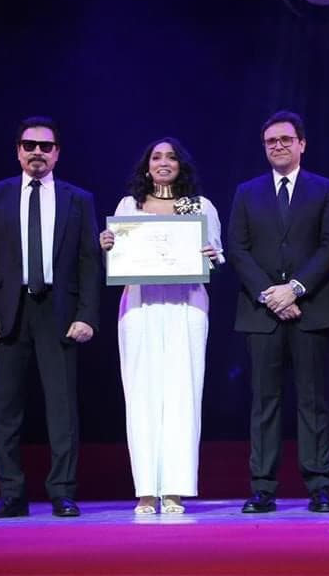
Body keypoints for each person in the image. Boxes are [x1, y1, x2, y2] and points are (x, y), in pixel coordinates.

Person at [0, 116, 100, 519]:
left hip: (58, 311)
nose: (37, 152)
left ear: (57, 153)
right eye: (30, 145)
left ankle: (62, 492)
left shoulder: (79, 199)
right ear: (18, 151)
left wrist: (87, 315)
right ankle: (11, 494)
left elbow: (89, 261)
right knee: (5, 408)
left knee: (62, 407)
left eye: (46, 146)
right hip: (8, 311)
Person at [226, 110, 329, 514]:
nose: (277, 146)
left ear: (301, 144)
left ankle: (320, 486)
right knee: (265, 402)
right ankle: (263, 488)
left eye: (285, 139)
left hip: (312, 308)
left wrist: (294, 289)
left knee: (313, 400)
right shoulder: (246, 192)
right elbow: (237, 249)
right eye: (270, 141)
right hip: (261, 313)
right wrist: (269, 295)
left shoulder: (324, 189)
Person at [99, 138, 224, 515]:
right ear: (147, 166)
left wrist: (211, 255)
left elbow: (217, 257)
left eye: (171, 157)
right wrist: (107, 245)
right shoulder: (129, 206)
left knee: (183, 393)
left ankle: (174, 489)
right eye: (156, 157)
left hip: (187, 305)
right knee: (141, 396)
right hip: (140, 306)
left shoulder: (199, 206)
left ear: (181, 165)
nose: (164, 162)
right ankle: (145, 491)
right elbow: (116, 260)